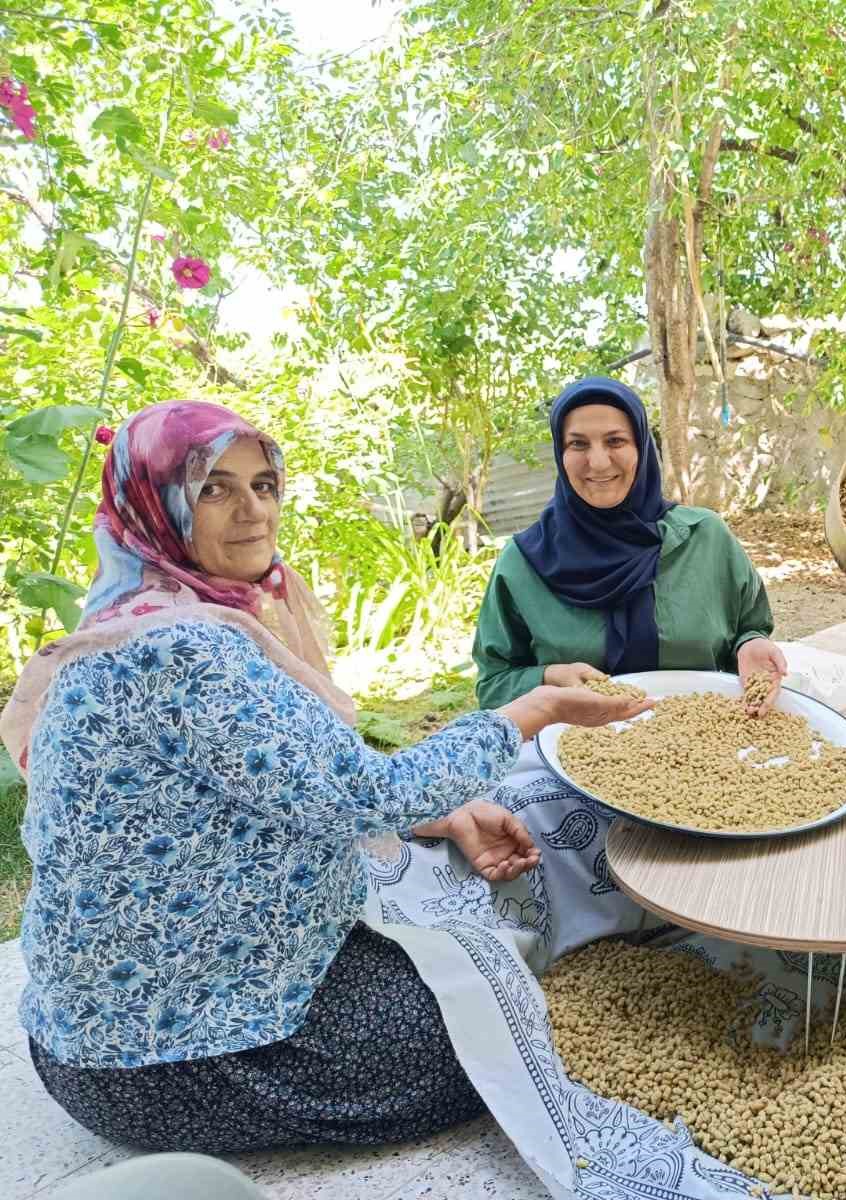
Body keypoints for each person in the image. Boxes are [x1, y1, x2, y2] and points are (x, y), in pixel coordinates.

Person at [0, 400, 648, 1151]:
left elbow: (282, 780)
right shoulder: (176, 649)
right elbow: (364, 793)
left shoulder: (148, 611)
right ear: (155, 502)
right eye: (215, 488)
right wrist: (528, 711)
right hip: (150, 1055)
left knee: (471, 958)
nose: (253, 512)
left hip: (132, 1006)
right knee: (488, 1028)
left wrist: (441, 815)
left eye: (265, 485)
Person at [473, 375, 787, 711]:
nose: (598, 462)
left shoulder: (705, 538)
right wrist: (549, 676)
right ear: (559, 454)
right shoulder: (523, 563)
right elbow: (493, 685)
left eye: (615, 441)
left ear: (641, 446)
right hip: (571, 753)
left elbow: (748, 627)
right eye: (578, 444)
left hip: (707, 746)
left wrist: (750, 644)